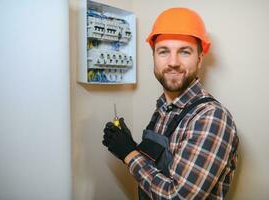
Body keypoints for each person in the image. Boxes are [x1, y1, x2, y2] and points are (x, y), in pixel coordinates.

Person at [102, 7, 239, 200]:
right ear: (154, 57)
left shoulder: (211, 117)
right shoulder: (163, 109)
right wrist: (129, 144)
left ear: (200, 59)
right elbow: (156, 171)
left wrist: (129, 154)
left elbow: (176, 197)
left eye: (184, 52)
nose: (173, 62)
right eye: (163, 51)